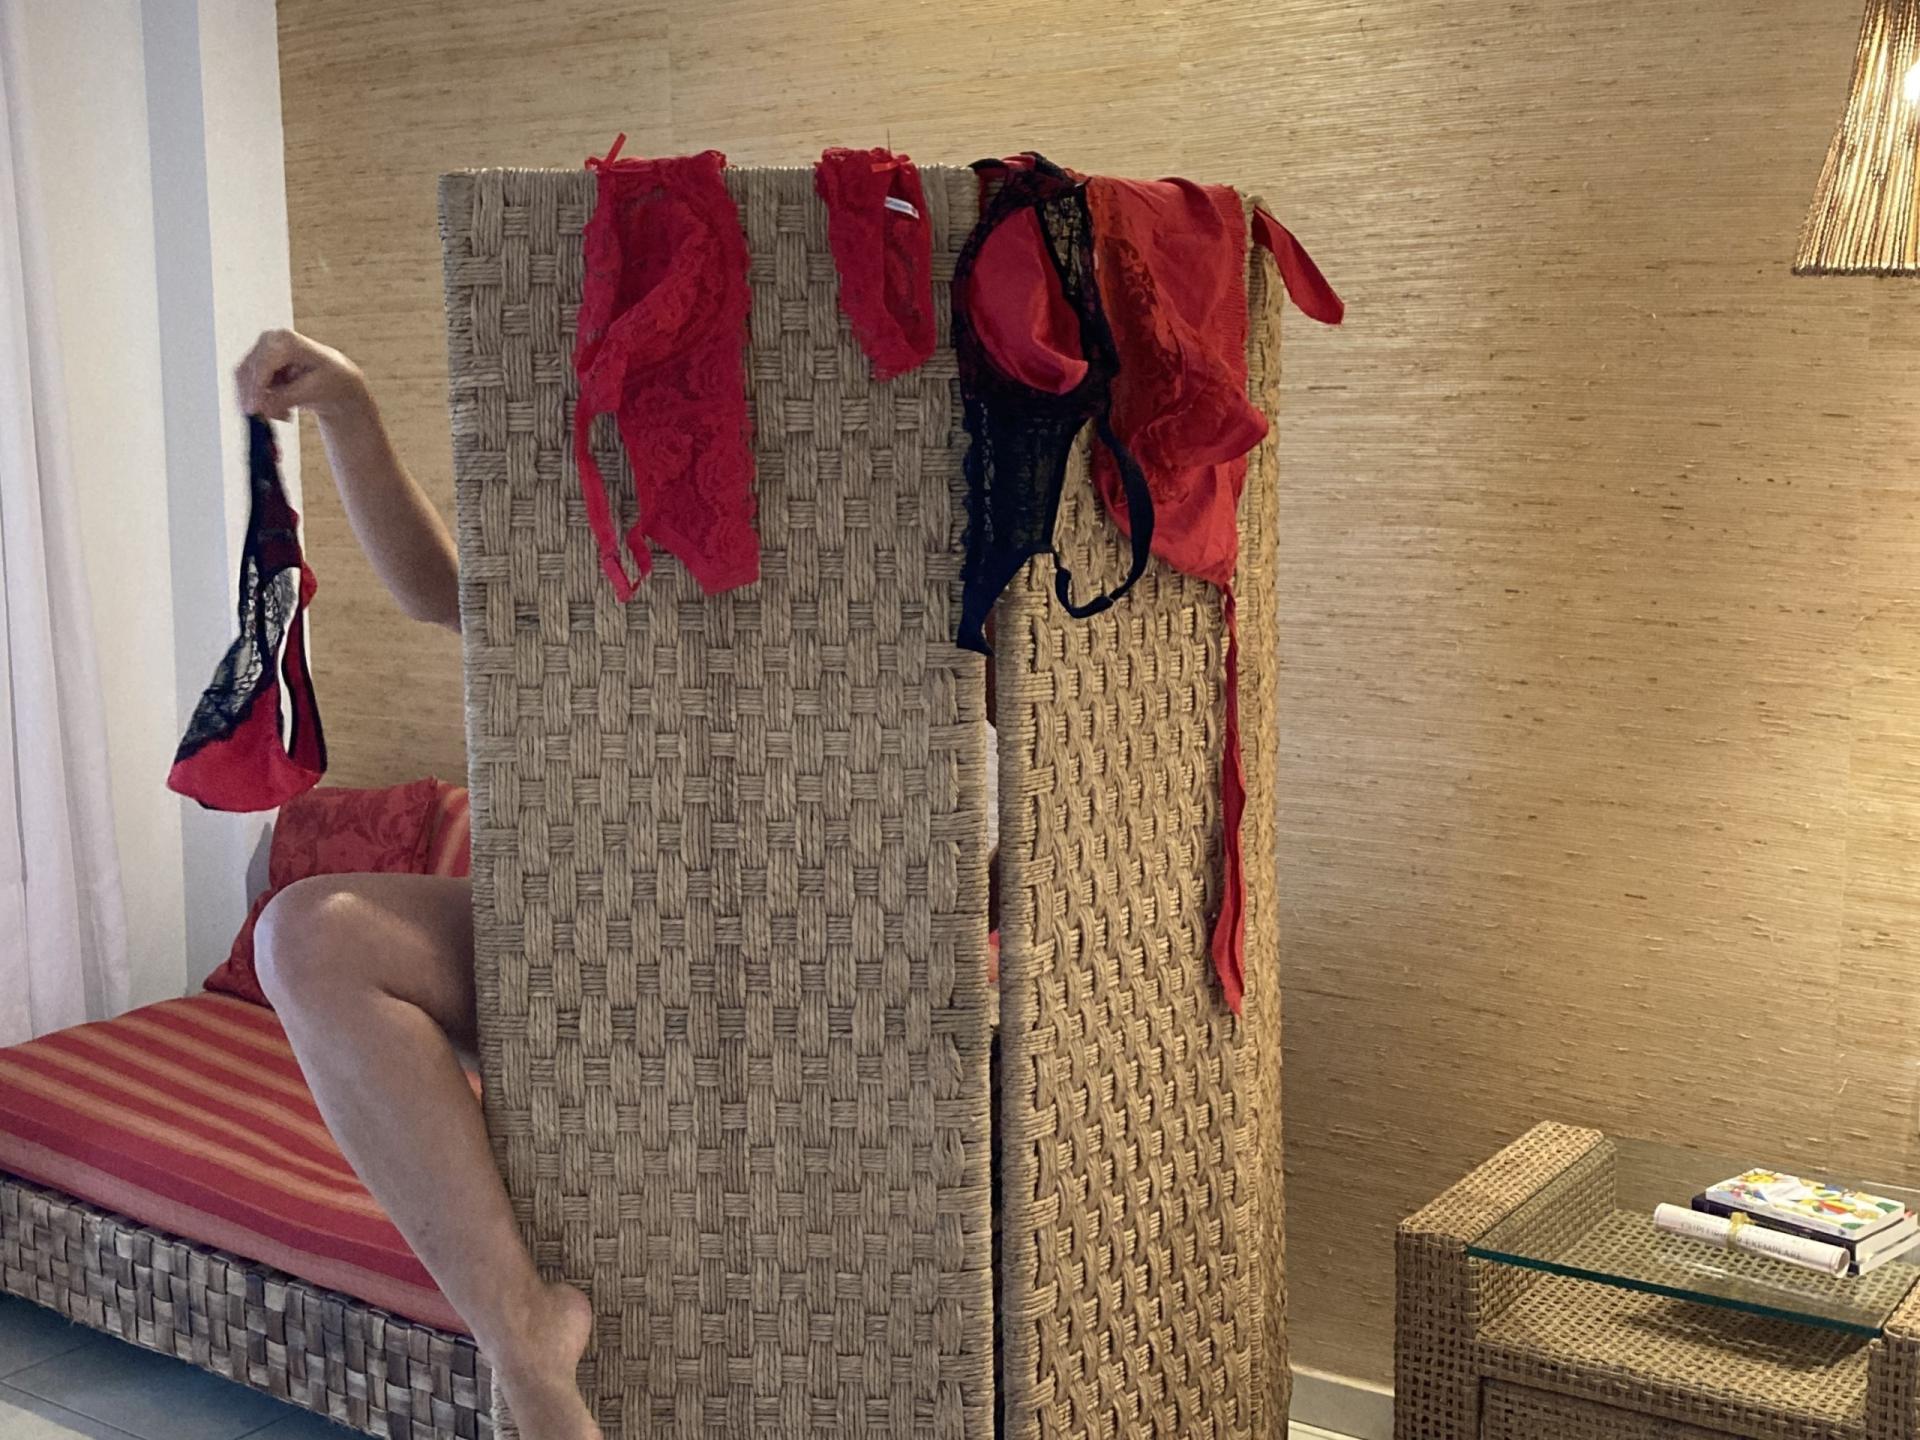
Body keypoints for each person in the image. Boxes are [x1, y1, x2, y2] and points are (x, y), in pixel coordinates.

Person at [233, 330, 601, 1440]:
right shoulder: (573, 550)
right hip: (553, 930)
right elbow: (444, 592)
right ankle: (523, 1341)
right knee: (308, 932)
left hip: (771, 943)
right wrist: (346, 406)